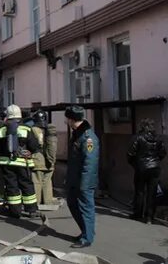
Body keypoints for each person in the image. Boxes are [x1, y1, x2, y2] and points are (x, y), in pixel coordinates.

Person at [0, 104, 40, 218]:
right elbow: (34, 146)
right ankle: (32, 210)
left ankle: (15, 211)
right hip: (23, 163)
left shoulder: (1, 130)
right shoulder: (26, 129)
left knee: (11, 186)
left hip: (7, 163)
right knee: (26, 185)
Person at [64, 105, 99, 248]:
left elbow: (90, 163)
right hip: (74, 179)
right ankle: (85, 230)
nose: (66, 121)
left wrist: (84, 184)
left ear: (72, 119)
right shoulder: (77, 133)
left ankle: (87, 237)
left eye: (67, 119)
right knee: (72, 203)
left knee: (86, 207)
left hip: (84, 181)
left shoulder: (88, 137)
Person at [127, 118, 166, 224]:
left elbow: (130, 154)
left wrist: (136, 164)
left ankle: (138, 214)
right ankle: (149, 217)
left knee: (140, 191)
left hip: (141, 167)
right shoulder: (158, 138)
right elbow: (163, 153)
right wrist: (156, 161)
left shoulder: (138, 137)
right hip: (155, 168)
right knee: (152, 192)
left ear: (142, 126)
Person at [30, 110, 58, 206]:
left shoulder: (33, 130)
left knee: (37, 182)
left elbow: (31, 145)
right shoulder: (49, 130)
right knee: (47, 182)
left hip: (37, 160)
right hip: (50, 160)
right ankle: (47, 201)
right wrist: (51, 159)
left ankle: (36, 202)